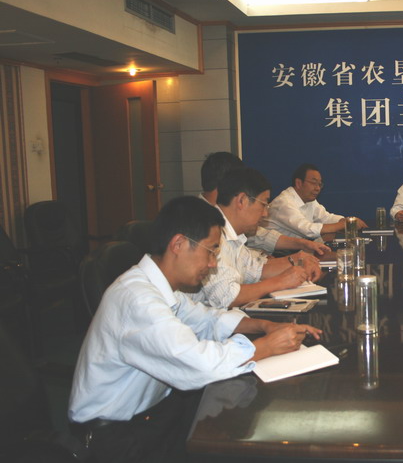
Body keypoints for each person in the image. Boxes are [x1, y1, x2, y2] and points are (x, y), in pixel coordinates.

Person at [68, 196, 321, 463]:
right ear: (178, 244)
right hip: (115, 436)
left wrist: (263, 325)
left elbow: (206, 319)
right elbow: (199, 363)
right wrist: (265, 346)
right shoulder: (138, 299)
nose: (213, 264)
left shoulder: (160, 287)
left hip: (155, 410)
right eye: (210, 251)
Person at [189, 167, 322, 309]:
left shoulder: (235, 235)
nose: (265, 214)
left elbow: (257, 270)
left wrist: (298, 261)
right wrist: (280, 281)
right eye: (263, 204)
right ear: (242, 200)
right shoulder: (211, 233)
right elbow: (226, 296)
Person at [199, 151, 328, 256]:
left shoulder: (227, 216)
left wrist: (301, 246)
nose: (265, 213)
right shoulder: (202, 227)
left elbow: (260, 239)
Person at [267, 163, 367, 240]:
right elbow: (307, 230)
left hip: (298, 248)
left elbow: (325, 217)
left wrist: (346, 221)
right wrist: (344, 224)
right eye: (313, 183)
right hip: (276, 254)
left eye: (320, 184)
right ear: (298, 183)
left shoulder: (309, 199)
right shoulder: (284, 203)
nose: (317, 188)